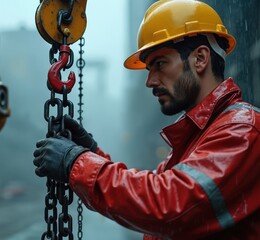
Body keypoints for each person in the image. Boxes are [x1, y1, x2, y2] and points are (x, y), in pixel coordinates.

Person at [33, 0, 260, 239]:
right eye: (149, 69)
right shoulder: (199, 137)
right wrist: (91, 152)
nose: (150, 81)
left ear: (200, 59)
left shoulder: (243, 129)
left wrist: (75, 161)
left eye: (159, 64)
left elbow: (167, 205)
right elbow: (149, 191)